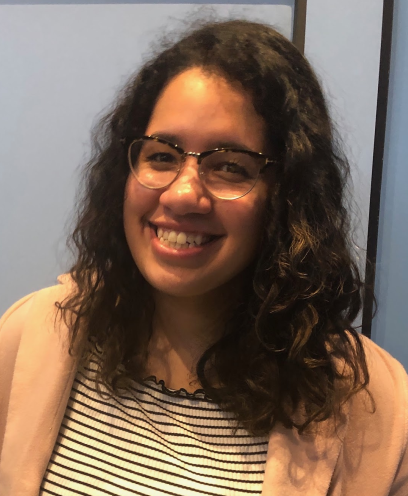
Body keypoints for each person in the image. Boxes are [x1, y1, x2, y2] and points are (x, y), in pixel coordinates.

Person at [0, 19, 407, 496]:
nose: (182, 194)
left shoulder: (374, 405)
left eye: (230, 167)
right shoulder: (33, 334)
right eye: (161, 156)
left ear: (289, 196)